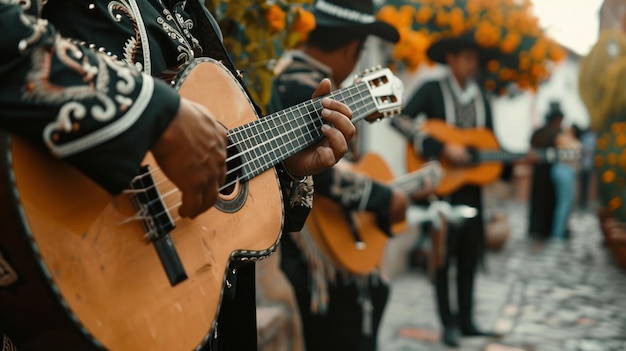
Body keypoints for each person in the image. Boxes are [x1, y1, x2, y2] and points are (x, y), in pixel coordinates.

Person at [0, 1, 356, 350]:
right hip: (52, 267)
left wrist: (286, 164)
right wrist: (153, 114)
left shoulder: (195, 15)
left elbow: (217, 187)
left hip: (178, 309)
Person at [268, 1, 434, 350]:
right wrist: (386, 198)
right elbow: (319, 170)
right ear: (350, 48)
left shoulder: (289, 75)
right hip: (325, 263)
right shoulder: (303, 85)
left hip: (326, 254)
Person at [390, 35, 502, 347]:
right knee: (442, 254)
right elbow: (399, 119)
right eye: (466, 58)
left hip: (471, 189)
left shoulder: (482, 96)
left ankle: (467, 321)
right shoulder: (432, 89)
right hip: (440, 185)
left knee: (470, 253)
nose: (472, 65)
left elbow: (488, 143)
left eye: (474, 59)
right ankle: (448, 323)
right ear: (450, 59)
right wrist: (439, 146)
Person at [528, 103, 564, 239]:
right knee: (547, 200)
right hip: (546, 170)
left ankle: (537, 228)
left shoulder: (541, 132)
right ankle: (544, 229)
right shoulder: (555, 133)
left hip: (545, 171)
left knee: (541, 200)